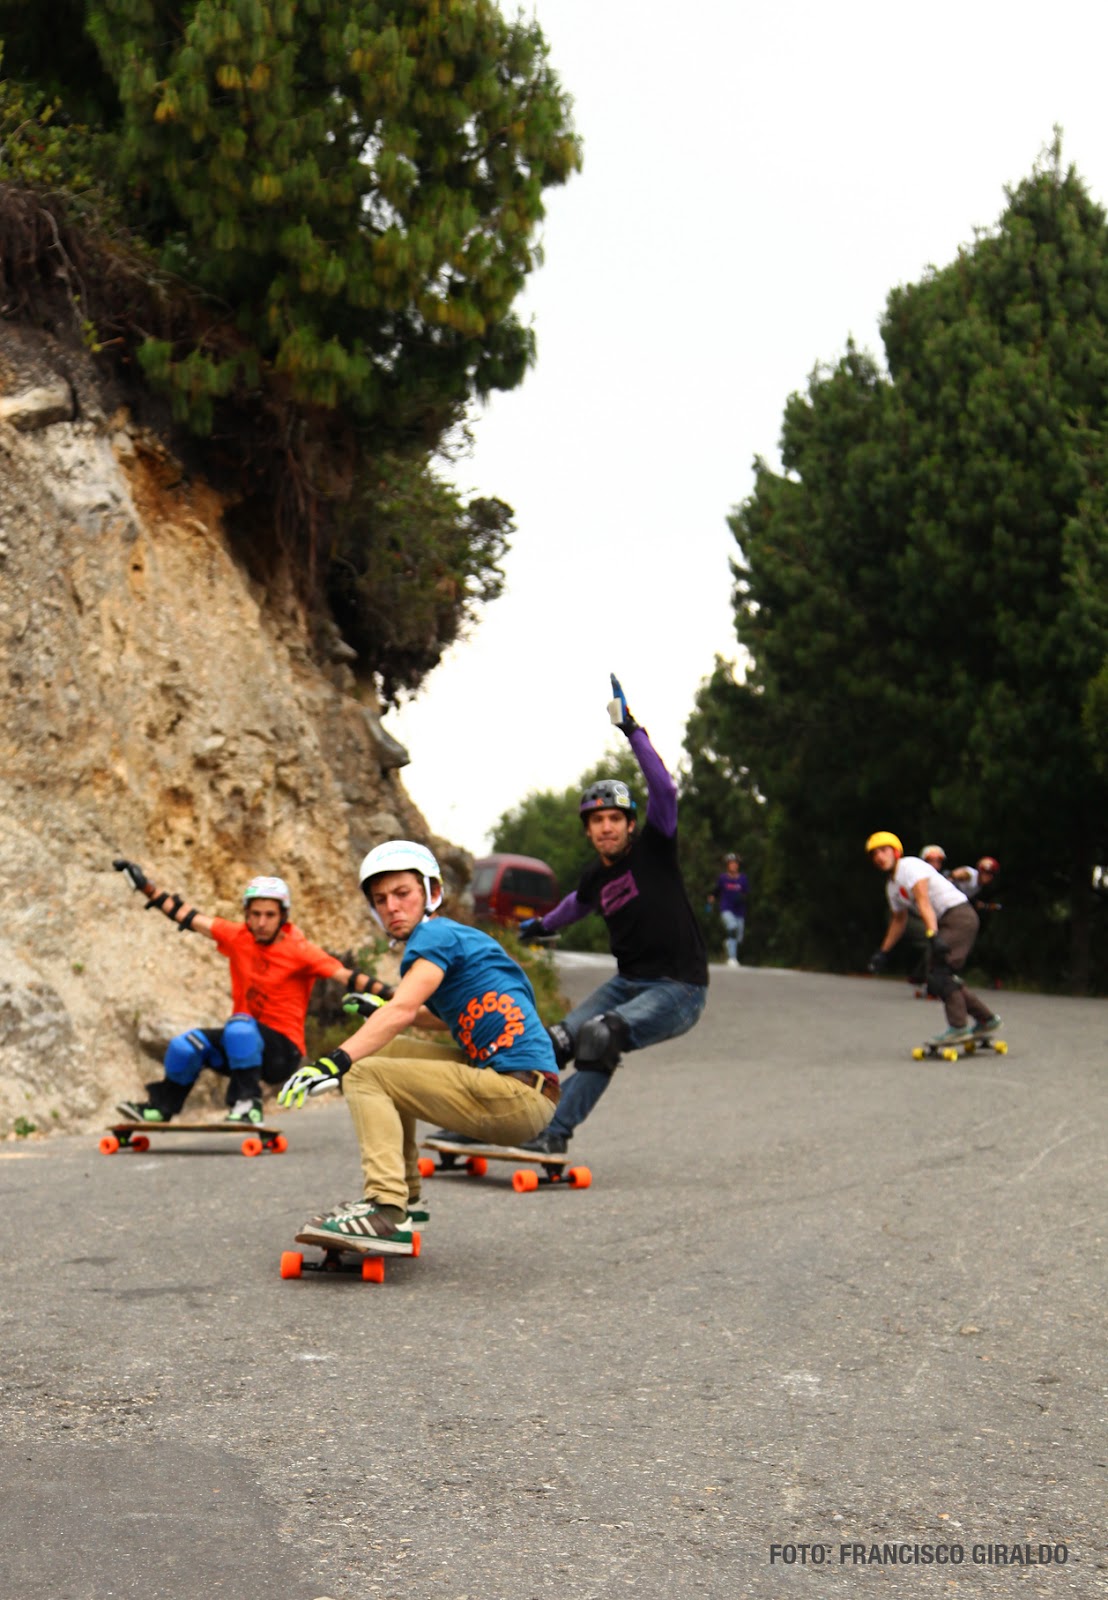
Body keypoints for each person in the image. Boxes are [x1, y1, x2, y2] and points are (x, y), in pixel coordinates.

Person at [277, 840, 560, 1255]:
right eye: (381, 899)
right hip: (522, 1085)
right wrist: (385, 1008)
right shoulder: (455, 938)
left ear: (433, 893)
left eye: (402, 893)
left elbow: (405, 1009)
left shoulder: (433, 935)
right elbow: (450, 1015)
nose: (392, 906)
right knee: (387, 1053)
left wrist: (332, 1063)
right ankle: (407, 1198)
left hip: (515, 1093)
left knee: (362, 1070)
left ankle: (385, 1208)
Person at [510, 675, 709, 1155]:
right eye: (597, 821)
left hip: (678, 989)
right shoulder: (595, 879)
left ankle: (552, 1132)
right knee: (553, 1043)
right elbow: (572, 907)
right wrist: (540, 927)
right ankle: (499, 1121)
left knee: (600, 1037)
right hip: (628, 983)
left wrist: (631, 729)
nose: (606, 827)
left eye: (614, 819)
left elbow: (664, 790)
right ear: (588, 830)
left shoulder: (655, 849)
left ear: (630, 824)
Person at [112, 860, 392, 1125]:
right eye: (255, 914)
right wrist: (145, 886)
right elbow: (189, 916)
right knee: (186, 1045)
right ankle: (160, 1108)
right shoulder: (238, 937)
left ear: (283, 916)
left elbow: (348, 976)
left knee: (239, 1027)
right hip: (241, 1046)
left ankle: (247, 1104)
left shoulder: (300, 950)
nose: (261, 922)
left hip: (282, 1052)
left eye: (269, 915)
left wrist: (396, 997)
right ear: (246, 914)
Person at [864, 833, 1001, 1045]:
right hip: (946, 920)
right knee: (938, 976)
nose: (879, 857)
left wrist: (932, 934)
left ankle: (958, 1027)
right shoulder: (892, 887)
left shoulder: (909, 866)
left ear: (896, 851)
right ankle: (986, 1020)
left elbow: (923, 900)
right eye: (874, 854)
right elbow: (899, 920)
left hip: (958, 916)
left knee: (940, 974)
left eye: (883, 850)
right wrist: (883, 951)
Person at [709, 854, 749, 967]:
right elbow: (716, 890)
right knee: (732, 927)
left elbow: (746, 892)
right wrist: (712, 897)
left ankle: (728, 943)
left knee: (738, 938)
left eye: (735, 863)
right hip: (726, 908)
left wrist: (741, 897)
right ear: (728, 865)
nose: (733, 865)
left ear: (738, 865)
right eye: (731, 863)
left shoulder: (743, 878)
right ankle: (732, 958)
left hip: (739, 910)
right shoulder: (723, 878)